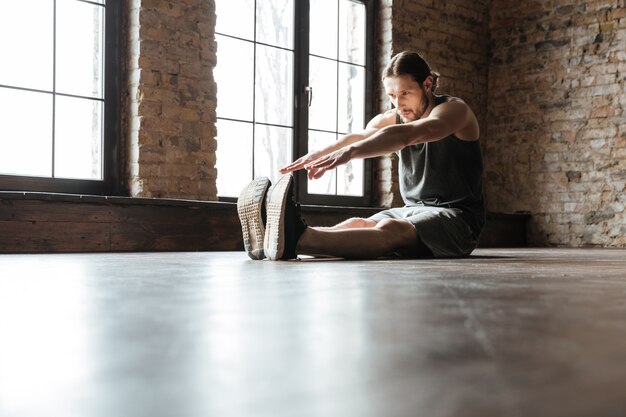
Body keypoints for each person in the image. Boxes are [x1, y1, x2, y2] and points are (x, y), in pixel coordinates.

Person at [237, 51, 485, 261]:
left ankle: (296, 240)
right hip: (412, 210)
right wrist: (319, 154)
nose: (398, 104)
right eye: (391, 96)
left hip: (458, 220)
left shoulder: (455, 111)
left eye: (405, 93)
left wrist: (350, 154)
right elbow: (359, 136)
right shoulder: (395, 116)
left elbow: (410, 134)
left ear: (428, 84)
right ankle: (285, 240)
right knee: (358, 223)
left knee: (390, 229)